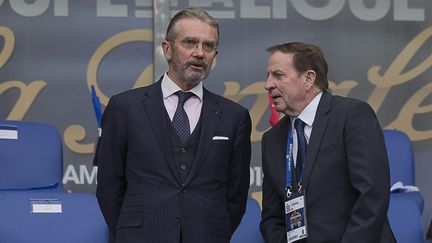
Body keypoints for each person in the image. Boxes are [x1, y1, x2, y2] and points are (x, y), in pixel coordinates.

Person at [95, 7, 252, 243]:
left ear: (215, 54)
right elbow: (109, 186)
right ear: (167, 49)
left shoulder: (234, 116)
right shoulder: (124, 108)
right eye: (190, 43)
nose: (199, 53)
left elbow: (236, 194)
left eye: (208, 46)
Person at [260, 42, 395, 243]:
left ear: (308, 78)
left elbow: (372, 196)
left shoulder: (351, 116)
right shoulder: (271, 139)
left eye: (278, 75)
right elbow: (272, 217)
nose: (268, 84)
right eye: (268, 75)